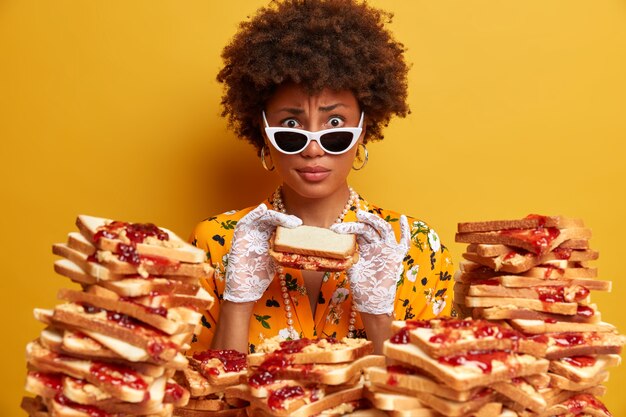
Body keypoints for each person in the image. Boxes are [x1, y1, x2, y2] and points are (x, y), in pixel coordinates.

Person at [189, 0, 454, 355]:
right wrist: (238, 301)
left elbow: (424, 399)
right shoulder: (214, 244)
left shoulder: (418, 247)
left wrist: (377, 316)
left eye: (334, 126)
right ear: (263, 133)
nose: (313, 149)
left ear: (363, 130)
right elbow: (203, 399)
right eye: (291, 126)